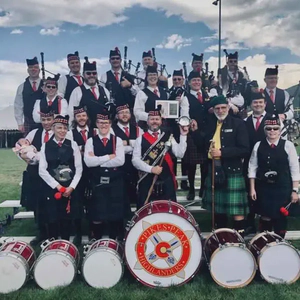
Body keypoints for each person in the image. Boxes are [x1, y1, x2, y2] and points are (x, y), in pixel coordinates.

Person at [191, 95, 250, 235]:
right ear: (213, 110)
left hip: (232, 170)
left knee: (236, 209)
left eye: (223, 107)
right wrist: (194, 132)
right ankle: (221, 236)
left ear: (228, 108)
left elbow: (244, 149)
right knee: (218, 208)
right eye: (217, 108)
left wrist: (222, 152)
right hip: (213, 169)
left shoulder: (238, 124)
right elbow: (201, 145)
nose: (221, 110)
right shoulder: (210, 125)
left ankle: (239, 235)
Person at [248, 115, 300, 238]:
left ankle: (280, 242)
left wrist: (295, 191)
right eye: (269, 128)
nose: (272, 131)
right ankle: (264, 242)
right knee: (265, 215)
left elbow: (295, 169)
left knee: (280, 216)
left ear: (280, 130)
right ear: (265, 129)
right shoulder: (258, 145)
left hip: (283, 187)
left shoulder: (288, 145)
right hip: (264, 187)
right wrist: (252, 188)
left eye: (275, 128)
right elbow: (252, 168)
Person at [132, 109, 188, 209]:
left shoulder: (168, 137)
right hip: (147, 180)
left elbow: (180, 154)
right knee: (146, 212)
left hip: (166, 180)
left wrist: (183, 135)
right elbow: (135, 160)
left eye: (157, 119)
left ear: (161, 121)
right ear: (147, 121)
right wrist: (151, 169)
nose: (154, 121)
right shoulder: (140, 139)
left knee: (168, 211)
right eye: (152, 119)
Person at [39, 115, 83, 241]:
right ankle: (53, 244)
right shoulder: (45, 146)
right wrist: (57, 186)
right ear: (53, 128)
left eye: (65, 128)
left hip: (69, 187)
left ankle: (65, 243)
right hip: (53, 188)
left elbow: (79, 168)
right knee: (52, 217)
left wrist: (71, 187)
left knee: (67, 218)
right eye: (59, 128)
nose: (62, 131)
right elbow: (42, 170)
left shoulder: (72, 145)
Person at [84, 111, 126, 240]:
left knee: (115, 212)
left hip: (115, 181)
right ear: (96, 124)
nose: (103, 125)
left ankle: (114, 240)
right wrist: (109, 157)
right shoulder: (90, 141)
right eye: (101, 123)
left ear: (110, 124)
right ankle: (96, 239)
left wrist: (97, 160)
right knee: (97, 213)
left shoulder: (117, 140)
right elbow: (88, 162)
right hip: (97, 181)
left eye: (106, 123)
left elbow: (120, 161)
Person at [20, 108, 54, 245]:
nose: (46, 122)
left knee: (51, 204)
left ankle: (53, 232)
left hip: (51, 173)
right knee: (38, 204)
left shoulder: (57, 132)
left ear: (53, 119)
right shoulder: (34, 133)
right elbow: (21, 147)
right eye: (44, 120)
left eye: (49, 119)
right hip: (35, 173)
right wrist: (24, 156)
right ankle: (41, 232)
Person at [67, 105, 97, 245]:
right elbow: (70, 152)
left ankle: (93, 231)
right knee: (77, 203)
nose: (81, 118)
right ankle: (78, 233)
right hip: (77, 172)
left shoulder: (95, 131)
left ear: (87, 117)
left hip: (93, 172)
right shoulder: (70, 133)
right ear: (75, 118)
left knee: (94, 202)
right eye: (79, 116)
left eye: (84, 116)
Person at [182, 71, 211, 200]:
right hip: (193, 133)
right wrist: (190, 121)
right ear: (189, 83)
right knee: (191, 164)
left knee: (205, 163)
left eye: (198, 80)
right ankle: (192, 189)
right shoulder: (185, 97)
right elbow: (184, 114)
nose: (196, 82)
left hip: (207, 133)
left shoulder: (207, 95)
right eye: (194, 80)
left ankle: (203, 189)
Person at [111, 104, 143, 209]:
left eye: (127, 112)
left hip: (135, 164)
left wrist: (127, 143)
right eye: (121, 113)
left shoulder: (138, 129)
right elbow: (114, 149)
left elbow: (142, 146)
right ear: (117, 116)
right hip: (119, 165)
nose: (124, 115)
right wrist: (134, 145)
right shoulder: (111, 130)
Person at [68, 57, 110, 125]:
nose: (91, 75)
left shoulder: (105, 90)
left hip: (103, 131)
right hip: (85, 131)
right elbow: (71, 113)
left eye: (94, 73)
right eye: (88, 73)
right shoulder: (77, 91)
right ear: (83, 74)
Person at [14, 56, 44, 135]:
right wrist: (20, 123)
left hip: (45, 121)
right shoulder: (22, 87)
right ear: (28, 70)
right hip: (28, 121)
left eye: (35, 67)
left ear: (39, 70)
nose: (33, 69)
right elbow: (18, 105)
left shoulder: (47, 85)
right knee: (28, 146)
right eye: (31, 67)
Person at [218, 50, 248, 118]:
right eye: (231, 61)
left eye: (235, 61)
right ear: (227, 62)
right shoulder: (223, 74)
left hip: (241, 106)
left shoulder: (241, 74)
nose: (233, 63)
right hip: (228, 105)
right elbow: (223, 91)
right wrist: (230, 105)